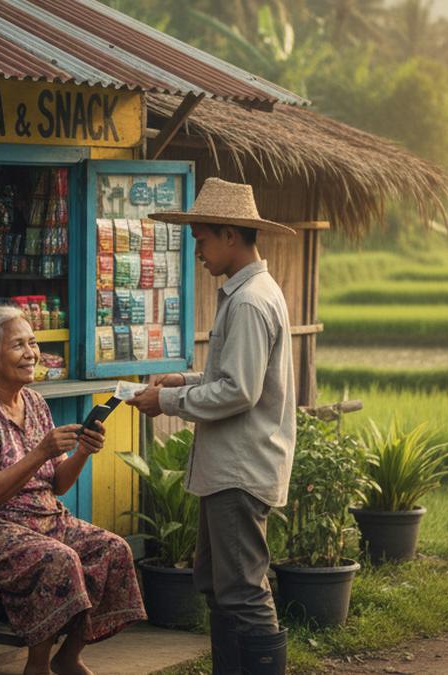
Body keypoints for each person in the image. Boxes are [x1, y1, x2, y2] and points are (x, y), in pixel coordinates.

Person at [129, 178, 297, 675]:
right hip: (231, 466)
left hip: (239, 469)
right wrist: (185, 379)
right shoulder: (251, 293)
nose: (197, 250)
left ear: (230, 235)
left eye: (201, 239)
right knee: (218, 585)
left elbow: (239, 392)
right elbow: (238, 377)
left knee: (242, 590)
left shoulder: (247, 301)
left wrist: (168, 399)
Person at [0, 306, 147, 675]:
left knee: (112, 550)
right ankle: (36, 667)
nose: (31, 353)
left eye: (32, 342)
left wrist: (83, 449)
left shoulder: (34, 402)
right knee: (57, 559)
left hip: (40, 518)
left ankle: (68, 657)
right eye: (18, 345)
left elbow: (59, 483)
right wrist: (40, 452)